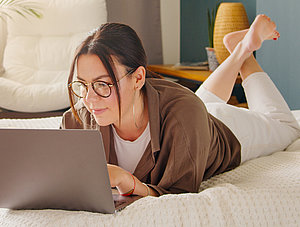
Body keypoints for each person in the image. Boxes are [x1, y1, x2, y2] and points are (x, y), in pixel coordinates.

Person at [61, 15, 300, 197]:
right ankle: (241, 48)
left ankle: (245, 55)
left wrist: (129, 181)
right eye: (82, 84)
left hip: (225, 128)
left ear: (138, 78)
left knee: (288, 128)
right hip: (192, 112)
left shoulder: (185, 116)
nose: (89, 99)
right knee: (198, 101)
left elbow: (178, 194)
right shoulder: (79, 119)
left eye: (103, 85)